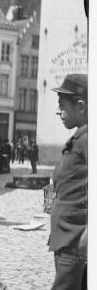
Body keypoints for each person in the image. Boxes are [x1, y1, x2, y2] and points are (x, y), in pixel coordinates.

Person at [49, 74, 87, 290]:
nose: (58, 111)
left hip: (74, 239)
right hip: (67, 236)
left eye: (62, 105)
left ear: (80, 106)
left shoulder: (88, 138)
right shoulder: (80, 137)